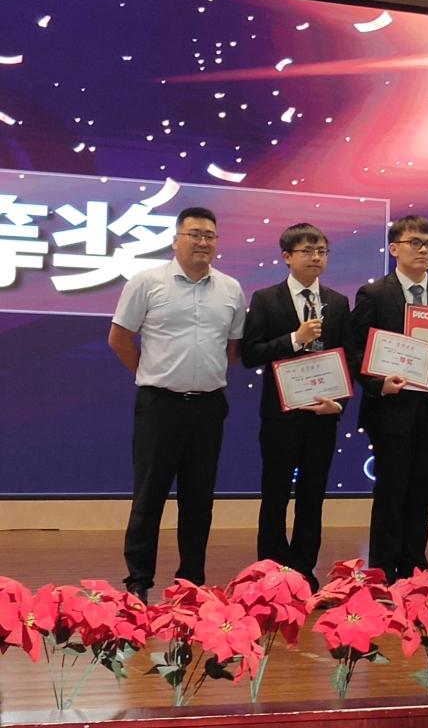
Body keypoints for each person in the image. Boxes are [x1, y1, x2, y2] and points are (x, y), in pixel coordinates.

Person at [108, 206, 245, 604]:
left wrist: (201, 375)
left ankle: (191, 580)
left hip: (208, 407)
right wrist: (150, 372)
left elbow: (232, 348)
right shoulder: (147, 282)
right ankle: (138, 579)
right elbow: (119, 338)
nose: (202, 242)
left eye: (209, 236)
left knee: (199, 498)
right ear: (175, 240)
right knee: (149, 495)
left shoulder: (231, 289)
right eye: (194, 234)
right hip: (159, 406)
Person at [240, 223, 356, 592]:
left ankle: (304, 569)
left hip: (322, 415)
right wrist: (295, 339)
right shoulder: (266, 299)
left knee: (313, 495)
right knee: (275, 493)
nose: (316, 257)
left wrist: (339, 403)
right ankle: (270, 570)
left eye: (322, 251)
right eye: (307, 251)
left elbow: (348, 358)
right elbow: (250, 353)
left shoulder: (338, 302)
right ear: (287, 256)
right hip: (281, 415)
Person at [351, 215, 428, 584]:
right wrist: (379, 384)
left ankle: (415, 573)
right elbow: (355, 351)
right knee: (391, 494)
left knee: (423, 495)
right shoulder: (374, 294)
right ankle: (382, 573)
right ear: (394, 248)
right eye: (415, 242)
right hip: (390, 412)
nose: (423, 249)